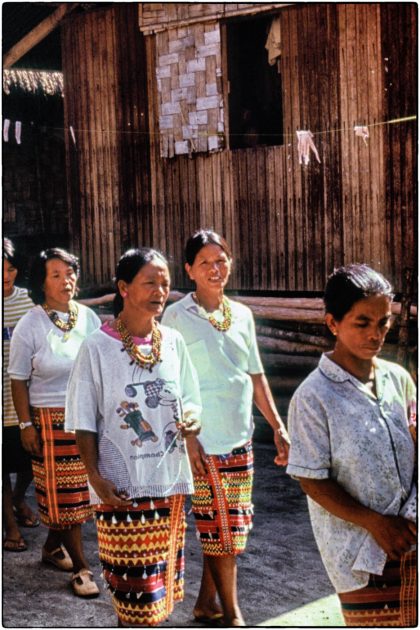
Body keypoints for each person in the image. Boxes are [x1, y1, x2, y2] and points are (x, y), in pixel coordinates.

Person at [65, 247, 202, 627]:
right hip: (121, 486)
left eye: (166, 284)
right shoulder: (96, 346)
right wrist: (95, 477)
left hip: (167, 482)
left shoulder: (172, 342)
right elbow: (82, 419)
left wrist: (192, 418)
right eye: (150, 283)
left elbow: (191, 397)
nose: (160, 291)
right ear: (123, 287)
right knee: (133, 594)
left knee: (157, 593)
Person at [162, 229, 290, 627]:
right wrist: (190, 438)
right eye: (205, 263)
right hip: (203, 443)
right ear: (189, 270)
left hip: (240, 438)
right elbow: (171, 383)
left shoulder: (243, 315)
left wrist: (278, 427)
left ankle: (205, 604)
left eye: (221, 260)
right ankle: (234, 615)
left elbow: (255, 376)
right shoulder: (175, 317)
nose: (216, 269)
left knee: (230, 526)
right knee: (221, 531)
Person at [286, 264, 417, 627]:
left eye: (383, 323)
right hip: (358, 552)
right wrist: (375, 523)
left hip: (412, 537)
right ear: (333, 324)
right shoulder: (313, 397)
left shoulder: (399, 380)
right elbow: (311, 479)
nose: (376, 334)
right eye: (362, 323)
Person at [8, 247, 101, 598]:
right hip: (48, 420)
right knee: (64, 498)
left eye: (70, 272)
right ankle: (81, 567)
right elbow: (17, 378)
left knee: (78, 495)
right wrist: (26, 425)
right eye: (56, 275)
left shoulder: (89, 319)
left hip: (85, 419)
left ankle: (50, 548)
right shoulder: (30, 324)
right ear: (42, 283)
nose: (67, 280)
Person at [3, 238, 39, 552]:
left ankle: (17, 500)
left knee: (30, 458)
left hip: (24, 396)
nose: (5, 276)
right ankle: (11, 527)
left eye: (11, 268)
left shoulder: (28, 302)